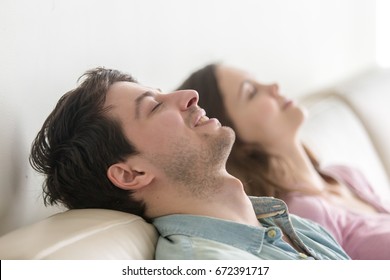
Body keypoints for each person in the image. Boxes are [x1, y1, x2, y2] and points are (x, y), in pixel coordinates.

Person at [29, 67, 349, 260]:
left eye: (163, 93)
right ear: (131, 173)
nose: (190, 95)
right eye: (154, 107)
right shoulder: (208, 263)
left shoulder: (292, 225)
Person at [176, 63, 390, 260]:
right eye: (251, 92)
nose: (274, 86)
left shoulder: (345, 175)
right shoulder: (303, 214)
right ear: (233, 139)